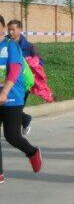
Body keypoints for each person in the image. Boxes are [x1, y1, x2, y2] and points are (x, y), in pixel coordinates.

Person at [0, 15, 43, 183]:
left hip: (11, 96)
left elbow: (14, 71)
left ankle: (32, 152)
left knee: (12, 136)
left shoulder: (11, 46)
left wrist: (4, 92)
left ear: (3, 28)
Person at [7, 19, 40, 135]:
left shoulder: (30, 47)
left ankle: (15, 133)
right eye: (9, 29)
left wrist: (30, 65)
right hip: (7, 81)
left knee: (15, 108)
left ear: (20, 30)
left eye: (13, 29)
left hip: (23, 84)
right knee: (8, 107)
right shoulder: (4, 43)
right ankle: (24, 120)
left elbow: (39, 63)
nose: (10, 32)